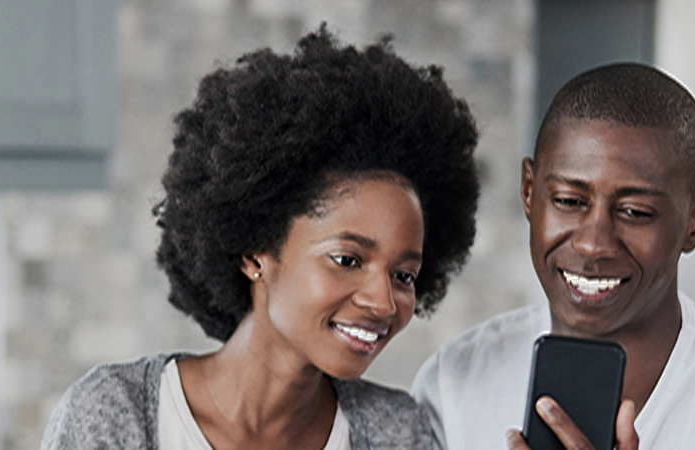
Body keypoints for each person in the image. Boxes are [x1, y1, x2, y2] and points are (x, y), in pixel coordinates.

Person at [41, 27, 480, 450]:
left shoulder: (396, 432)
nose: (384, 303)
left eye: (404, 275)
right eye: (347, 259)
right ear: (257, 251)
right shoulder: (116, 415)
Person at [410, 62, 695, 449]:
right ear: (528, 192)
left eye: (634, 212)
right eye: (569, 201)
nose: (593, 243)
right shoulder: (451, 383)